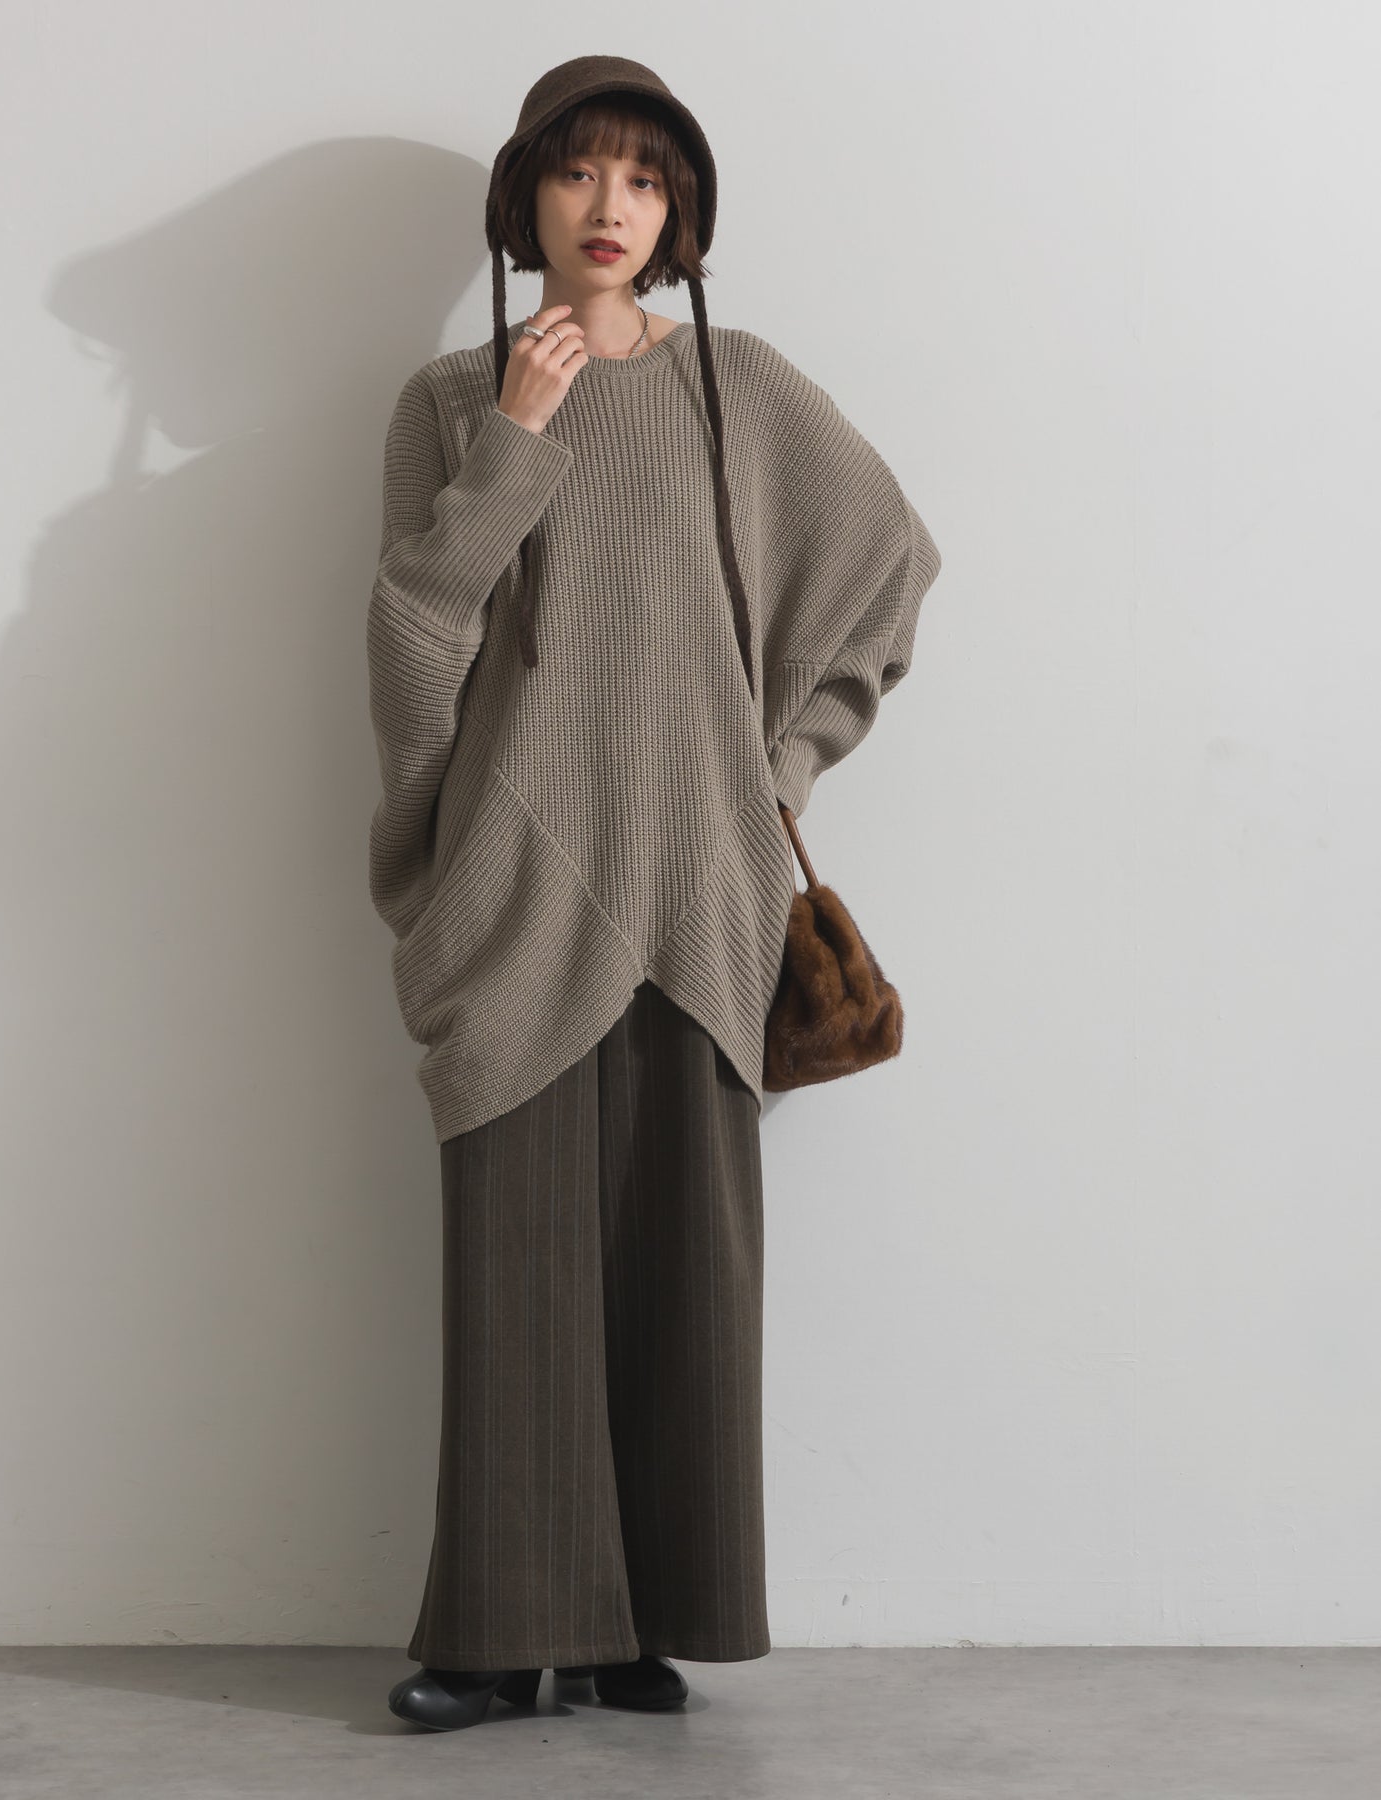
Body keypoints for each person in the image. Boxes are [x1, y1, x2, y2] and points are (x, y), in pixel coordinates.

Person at [369, 55, 942, 1732]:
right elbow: (411, 638)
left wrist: (779, 770)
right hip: (516, 888)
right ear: (524, 200)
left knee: (684, 1272)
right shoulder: (448, 401)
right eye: (576, 173)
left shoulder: (735, 387)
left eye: (641, 177)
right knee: (515, 1274)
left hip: (698, 885)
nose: (608, 206)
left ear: (678, 210)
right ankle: (496, 1638)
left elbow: (887, 569)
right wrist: (515, 441)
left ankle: (643, 1624)